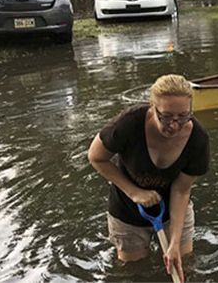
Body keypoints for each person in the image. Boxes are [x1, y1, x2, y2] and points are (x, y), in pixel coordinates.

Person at [88, 74, 209, 283]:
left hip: (173, 210)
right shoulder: (128, 124)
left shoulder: (198, 139)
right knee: (134, 272)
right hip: (127, 209)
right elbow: (96, 157)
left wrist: (174, 243)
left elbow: (181, 191)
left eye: (183, 116)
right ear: (152, 108)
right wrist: (134, 192)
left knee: (183, 264)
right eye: (166, 116)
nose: (174, 125)